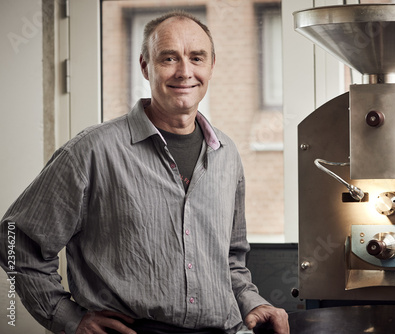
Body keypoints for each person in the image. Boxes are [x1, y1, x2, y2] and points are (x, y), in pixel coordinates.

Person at [0, 11, 289, 334]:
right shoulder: (92, 151)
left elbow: (231, 259)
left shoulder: (226, 153)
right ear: (145, 66)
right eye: (169, 58)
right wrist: (68, 317)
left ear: (211, 66)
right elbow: (15, 240)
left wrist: (252, 301)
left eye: (196, 58)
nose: (184, 71)